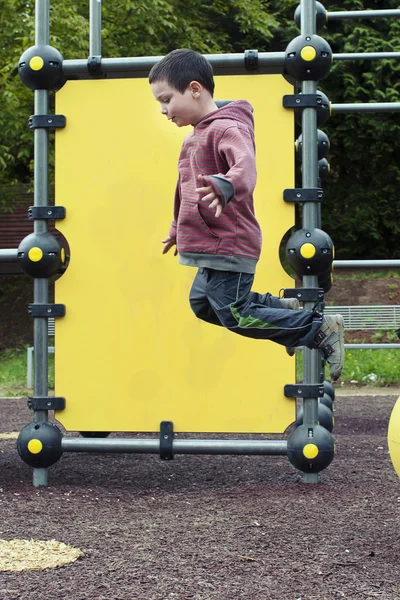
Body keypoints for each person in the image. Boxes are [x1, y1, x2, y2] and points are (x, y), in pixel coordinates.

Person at [149, 49, 344, 381]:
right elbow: (184, 189)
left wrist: (226, 185)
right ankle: (284, 311)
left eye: (167, 99)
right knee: (204, 305)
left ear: (195, 89)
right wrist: (176, 227)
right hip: (208, 247)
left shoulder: (227, 128)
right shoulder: (194, 137)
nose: (163, 110)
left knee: (236, 315)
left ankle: (316, 328)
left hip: (230, 243)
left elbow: (246, 167)